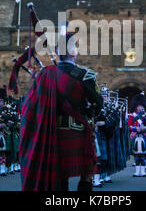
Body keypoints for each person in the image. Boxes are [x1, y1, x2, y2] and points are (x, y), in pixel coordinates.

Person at [19, 32, 103, 191]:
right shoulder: (85, 75)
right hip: (79, 133)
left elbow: (31, 104)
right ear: (73, 51)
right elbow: (98, 104)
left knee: (61, 176)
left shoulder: (46, 74)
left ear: (57, 52)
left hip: (53, 134)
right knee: (87, 174)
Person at [0, 88, 19, 177]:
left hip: (5, 135)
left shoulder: (8, 111)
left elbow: (14, 121)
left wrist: (5, 125)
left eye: (1, 100)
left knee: (3, 153)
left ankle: (3, 168)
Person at [128, 92, 146, 177]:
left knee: (143, 155)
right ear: (135, 106)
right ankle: (137, 171)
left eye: (141, 106)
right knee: (137, 155)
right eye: (139, 106)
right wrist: (136, 129)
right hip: (135, 136)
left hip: (144, 136)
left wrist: (145, 128)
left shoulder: (145, 116)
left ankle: (143, 171)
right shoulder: (131, 116)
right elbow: (129, 125)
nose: (140, 108)